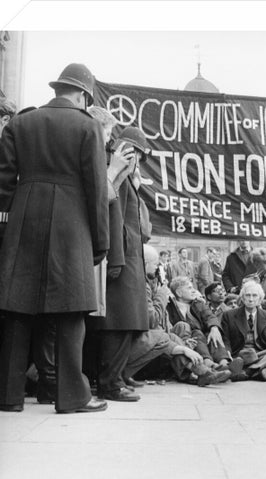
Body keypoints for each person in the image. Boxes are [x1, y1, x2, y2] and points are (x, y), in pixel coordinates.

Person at [0, 63, 109, 413]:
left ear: (58, 89)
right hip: (71, 225)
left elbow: (2, 185)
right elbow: (95, 189)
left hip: (23, 221)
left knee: (17, 310)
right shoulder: (88, 126)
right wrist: (100, 240)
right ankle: (72, 397)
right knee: (70, 314)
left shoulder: (20, 123)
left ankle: (7, 395)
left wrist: (9, 224)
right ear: (82, 95)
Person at [123, 245, 231, 387]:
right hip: (145, 343)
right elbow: (153, 320)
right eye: (156, 265)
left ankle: (204, 370)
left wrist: (212, 328)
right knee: (167, 335)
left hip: (182, 340)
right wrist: (184, 348)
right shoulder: (148, 287)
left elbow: (207, 316)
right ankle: (199, 372)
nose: (157, 269)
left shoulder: (197, 303)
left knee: (182, 332)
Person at [95, 126, 150, 402]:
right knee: (118, 323)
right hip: (122, 259)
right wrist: (115, 258)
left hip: (127, 259)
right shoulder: (116, 175)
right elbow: (113, 218)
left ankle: (115, 378)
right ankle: (110, 383)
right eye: (138, 153)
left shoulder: (125, 177)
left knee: (125, 322)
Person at [221, 281, 266, 381]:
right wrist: (227, 357)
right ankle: (260, 369)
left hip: (262, 353)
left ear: (260, 299)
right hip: (240, 353)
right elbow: (225, 339)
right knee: (247, 355)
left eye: (254, 295)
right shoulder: (229, 315)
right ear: (243, 298)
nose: (251, 299)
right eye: (247, 295)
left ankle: (249, 371)